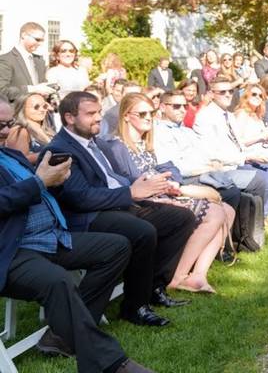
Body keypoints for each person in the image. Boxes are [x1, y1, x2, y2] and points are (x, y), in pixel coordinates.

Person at [46, 91, 196, 327]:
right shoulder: (60, 149)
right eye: (91, 114)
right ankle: (135, 306)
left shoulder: (93, 141)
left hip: (117, 205)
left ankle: (155, 287)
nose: (98, 118)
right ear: (69, 118)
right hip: (86, 218)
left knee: (181, 217)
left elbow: (112, 178)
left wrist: (146, 191)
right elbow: (79, 198)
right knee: (143, 231)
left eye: (99, 112)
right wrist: (130, 194)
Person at [0, 146, 155, 373]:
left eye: (8, 124)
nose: (6, 131)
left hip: (51, 238)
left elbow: (42, 191)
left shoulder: (10, 154)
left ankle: (64, 334)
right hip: (12, 251)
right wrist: (39, 182)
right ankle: (111, 364)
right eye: (2, 125)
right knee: (58, 281)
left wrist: (57, 180)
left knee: (116, 247)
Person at [102, 93, 233, 295]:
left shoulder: (145, 143)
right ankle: (177, 277)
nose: (149, 117)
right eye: (143, 113)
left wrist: (171, 184)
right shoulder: (117, 147)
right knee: (215, 213)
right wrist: (165, 187)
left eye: (151, 113)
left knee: (228, 210)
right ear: (126, 116)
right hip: (143, 203)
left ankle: (198, 274)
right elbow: (129, 183)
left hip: (162, 194)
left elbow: (164, 168)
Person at [192, 76, 268, 216]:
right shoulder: (205, 117)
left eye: (230, 90)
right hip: (223, 167)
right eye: (222, 92)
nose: (228, 94)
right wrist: (247, 155)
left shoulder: (227, 115)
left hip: (242, 159)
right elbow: (212, 154)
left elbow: (239, 143)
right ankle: (252, 222)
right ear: (211, 94)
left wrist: (256, 150)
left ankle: (262, 216)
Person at [154, 90, 267, 208]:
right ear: (162, 107)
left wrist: (215, 163)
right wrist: (205, 168)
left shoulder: (186, 131)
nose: (183, 110)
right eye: (177, 106)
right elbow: (173, 167)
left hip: (211, 171)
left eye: (185, 106)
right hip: (189, 178)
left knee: (257, 181)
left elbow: (206, 152)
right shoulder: (160, 132)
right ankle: (226, 225)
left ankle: (250, 225)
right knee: (231, 192)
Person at [0, 21, 54, 102]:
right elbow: (2, 91)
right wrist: (32, 89)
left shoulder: (39, 60)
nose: (40, 44)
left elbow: (43, 86)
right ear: (23, 35)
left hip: (39, 111)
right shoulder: (6, 60)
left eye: (42, 40)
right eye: (37, 39)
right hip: (16, 112)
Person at [4, 92, 56, 162]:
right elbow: (20, 159)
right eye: (36, 107)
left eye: (45, 106)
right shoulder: (20, 130)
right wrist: (52, 153)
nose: (42, 109)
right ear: (23, 108)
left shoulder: (47, 129)